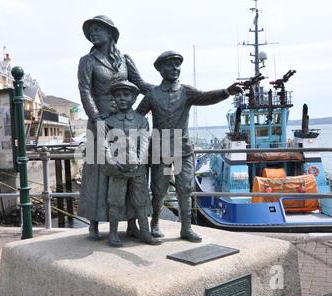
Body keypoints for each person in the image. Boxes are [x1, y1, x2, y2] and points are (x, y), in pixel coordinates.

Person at [136, 51, 242, 242]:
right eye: (170, 65)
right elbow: (138, 116)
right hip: (160, 149)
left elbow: (206, 97)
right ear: (160, 69)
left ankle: (186, 228)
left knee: (185, 188)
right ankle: (155, 223)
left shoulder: (186, 91)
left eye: (177, 64)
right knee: (158, 189)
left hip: (182, 149)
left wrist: (227, 91)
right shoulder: (152, 94)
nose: (175, 68)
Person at [77, 15, 153, 240]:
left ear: (111, 32)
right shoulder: (87, 61)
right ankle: (93, 223)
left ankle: (132, 222)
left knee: (131, 167)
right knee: (98, 172)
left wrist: (162, 90)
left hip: (125, 118)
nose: (93, 33)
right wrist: (97, 118)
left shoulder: (125, 59)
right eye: (90, 30)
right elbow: (85, 91)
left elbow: (140, 84)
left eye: (98, 29)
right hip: (100, 120)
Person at [103, 80, 161, 247]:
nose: (122, 98)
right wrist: (112, 162)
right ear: (113, 98)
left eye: (126, 95)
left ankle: (145, 232)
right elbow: (103, 144)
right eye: (118, 95)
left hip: (137, 169)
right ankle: (113, 233)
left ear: (134, 98)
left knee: (141, 200)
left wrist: (138, 161)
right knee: (115, 201)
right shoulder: (108, 121)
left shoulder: (141, 121)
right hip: (117, 169)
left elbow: (144, 142)